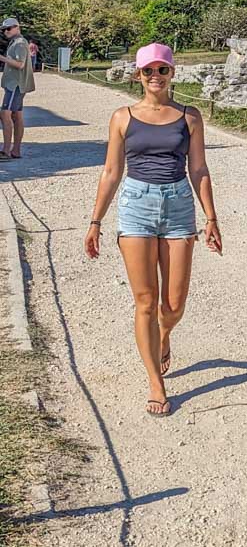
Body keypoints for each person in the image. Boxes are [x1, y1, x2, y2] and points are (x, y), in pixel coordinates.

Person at [84, 43, 223, 417]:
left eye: (162, 70)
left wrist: (211, 217)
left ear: (172, 73)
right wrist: (95, 221)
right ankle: (155, 384)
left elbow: (199, 169)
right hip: (136, 206)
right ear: (138, 75)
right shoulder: (122, 117)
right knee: (146, 301)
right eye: (148, 71)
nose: (155, 77)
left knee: (173, 305)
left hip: (178, 205)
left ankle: (164, 335)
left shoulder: (189, 117)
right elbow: (111, 171)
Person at [0, 16, 36, 160]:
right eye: (4, 29)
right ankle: (15, 150)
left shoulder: (20, 43)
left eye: (8, 28)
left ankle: (6, 151)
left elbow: (20, 64)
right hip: (15, 84)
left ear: (17, 27)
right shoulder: (16, 42)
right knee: (17, 115)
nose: (6, 32)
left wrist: (2, 58)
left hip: (15, 84)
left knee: (5, 114)